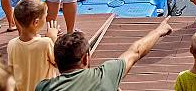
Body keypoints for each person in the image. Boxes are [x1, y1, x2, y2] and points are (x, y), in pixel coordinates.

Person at [36, 18, 173, 91]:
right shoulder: (105, 75)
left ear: (57, 61)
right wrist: (159, 31)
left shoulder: (44, 87)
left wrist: (52, 39)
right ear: (85, 59)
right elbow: (136, 51)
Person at [7, 0, 59, 91]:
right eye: (45, 16)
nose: (46, 18)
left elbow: (11, 73)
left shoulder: (12, 44)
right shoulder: (46, 43)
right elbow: (58, 63)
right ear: (36, 22)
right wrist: (53, 39)